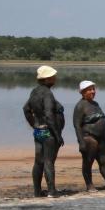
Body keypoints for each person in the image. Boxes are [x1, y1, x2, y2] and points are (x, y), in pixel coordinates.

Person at [22, 66, 65, 198]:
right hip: (49, 132)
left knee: (38, 161)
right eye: (53, 77)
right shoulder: (47, 93)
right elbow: (48, 114)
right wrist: (58, 135)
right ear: (47, 79)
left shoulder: (34, 92)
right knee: (48, 161)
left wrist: (34, 125)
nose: (55, 79)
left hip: (39, 131)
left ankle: (37, 191)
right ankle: (52, 191)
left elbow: (26, 109)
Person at [72, 80, 105, 192]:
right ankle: (89, 185)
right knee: (88, 163)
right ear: (83, 92)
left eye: (93, 89)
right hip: (89, 138)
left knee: (104, 162)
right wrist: (81, 142)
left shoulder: (96, 104)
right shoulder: (80, 106)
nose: (93, 91)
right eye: (90, 90)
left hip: (101, 139)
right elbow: (76, 125)